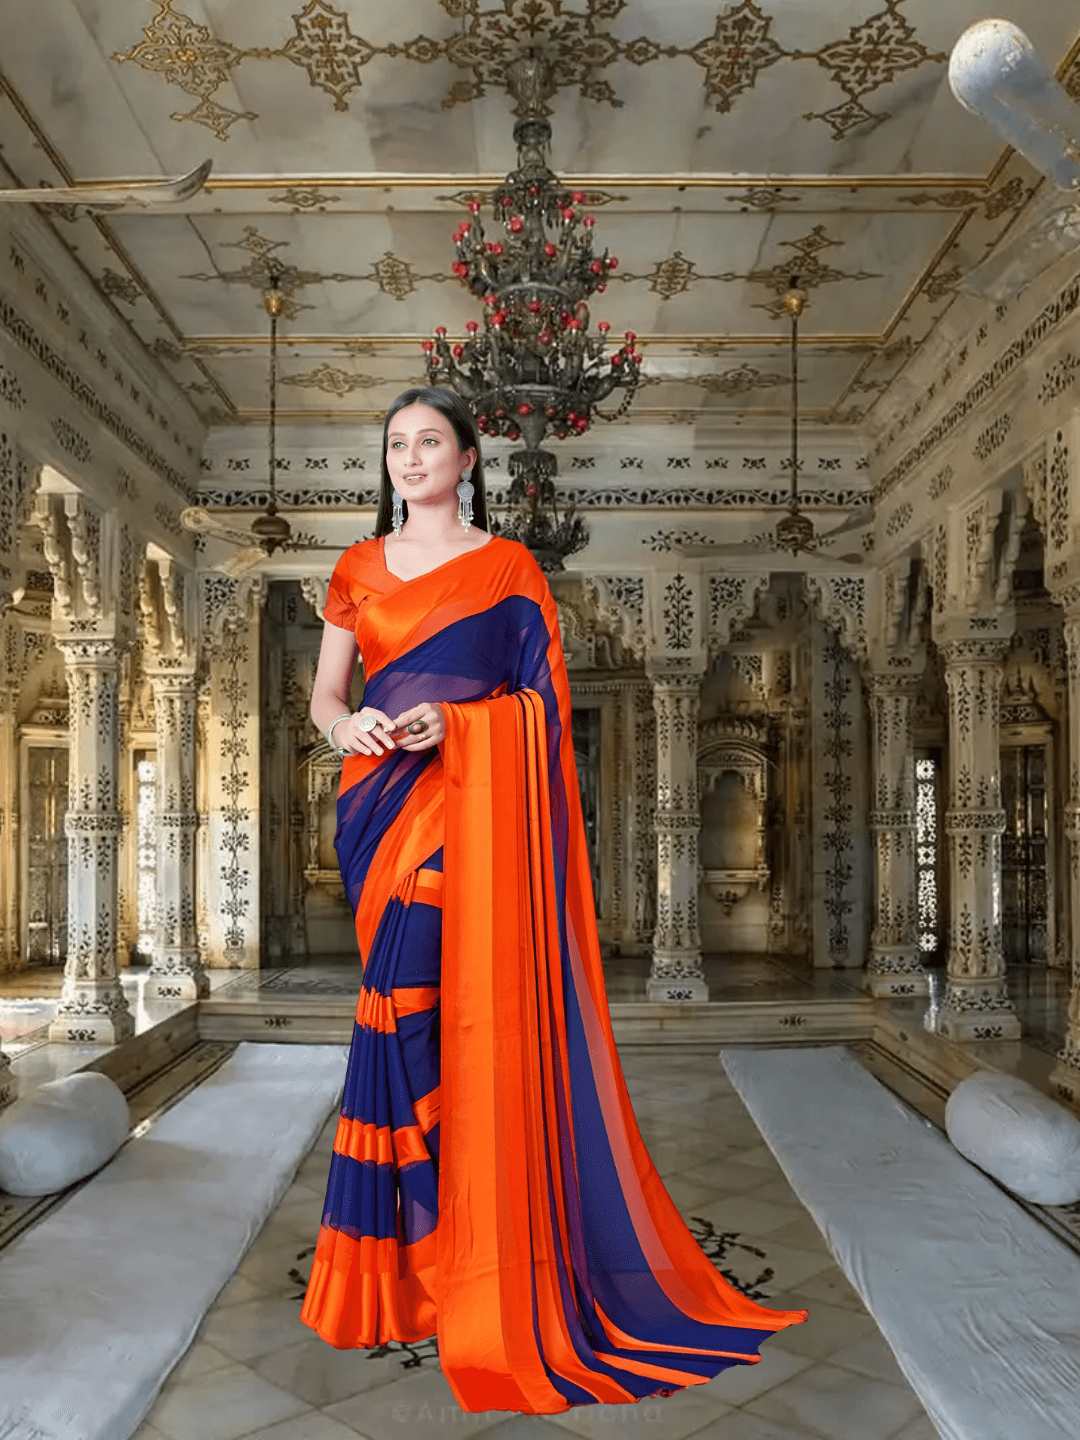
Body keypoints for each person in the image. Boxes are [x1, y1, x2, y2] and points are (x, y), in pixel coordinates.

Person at [300, 385, 807, 1414]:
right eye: (395, 444)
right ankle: (419, 1260)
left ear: (467, 458)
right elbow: (326, 694)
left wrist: (462, 726)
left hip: (465, 805)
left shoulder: (507, 568)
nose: (410, 457)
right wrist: (345, 728)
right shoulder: (356, 568)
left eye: (430, 441)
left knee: (420, 1014)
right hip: (378, 807)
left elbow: (542, 704)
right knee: (394, 1015)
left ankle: (465, 1244)